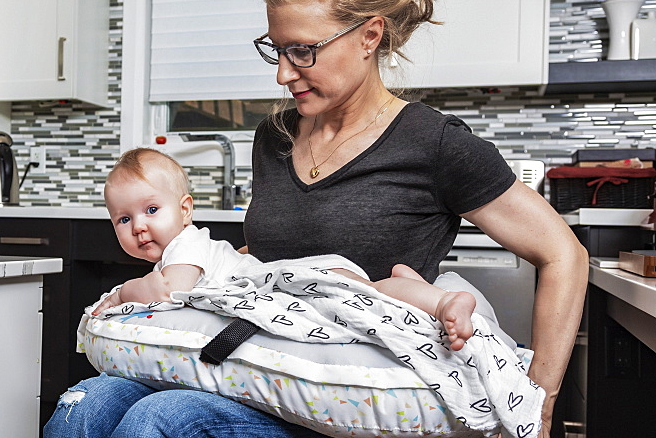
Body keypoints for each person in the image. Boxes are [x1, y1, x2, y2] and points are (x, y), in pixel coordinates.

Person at [42, 0, 587, 438]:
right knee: (79, 411)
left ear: (370, 34)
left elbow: (563, 253)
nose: (281, 72)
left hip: (340, 394)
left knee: (155, 429)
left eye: (302, 50)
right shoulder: (273, 139)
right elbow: (272, 264)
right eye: (275, 47)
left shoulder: (435, 145)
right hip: (245, 363)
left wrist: (537, 401)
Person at [92, 147, 478, 350]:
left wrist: (123, 293)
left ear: (185, 209)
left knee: (371, 292)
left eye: (151, 210)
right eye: (123, 220)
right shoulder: (192, 247)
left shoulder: (184, 246)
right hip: (299, 275)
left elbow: (165, 291)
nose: (138, 226)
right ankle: (412, 286)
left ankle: (442, 302)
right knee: (374, 290)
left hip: (291, 283)